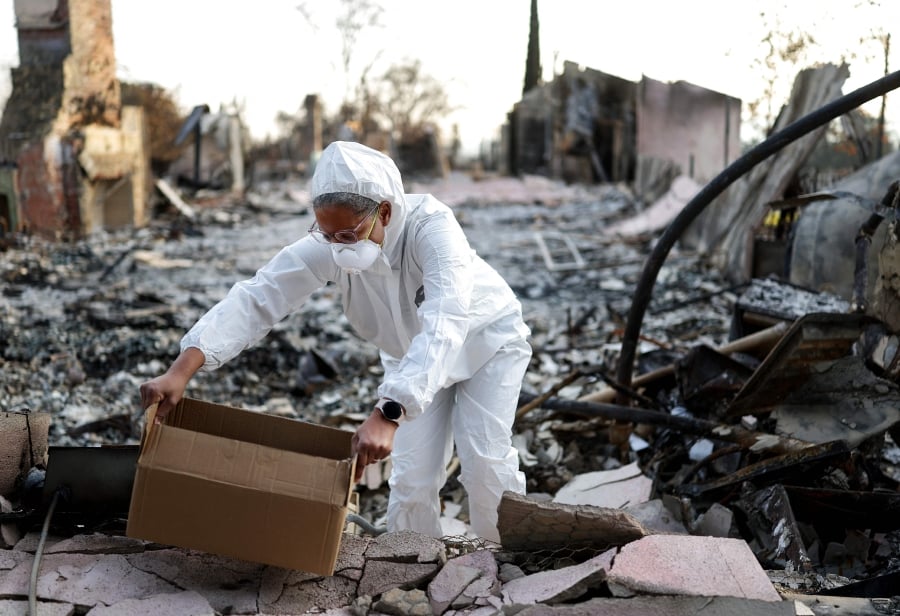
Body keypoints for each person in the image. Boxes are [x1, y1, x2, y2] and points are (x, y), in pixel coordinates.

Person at [139, 140, 532, 542]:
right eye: (326, 234)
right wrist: (181, 370)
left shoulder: (431, 228)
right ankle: (413, 565)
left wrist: (387, 413)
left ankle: (505, 563)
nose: (338, 246)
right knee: (412, 478)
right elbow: (260, 295)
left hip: (485, 343)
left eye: (348, 233)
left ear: (384, 210)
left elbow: (446, 320)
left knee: (484, 462)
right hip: (410, 358)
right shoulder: (332, 243)